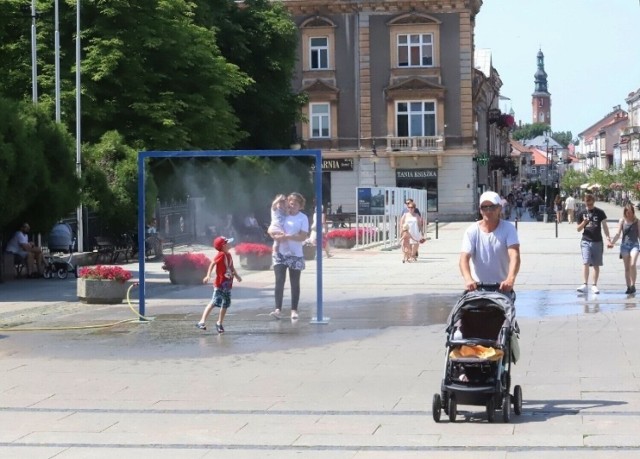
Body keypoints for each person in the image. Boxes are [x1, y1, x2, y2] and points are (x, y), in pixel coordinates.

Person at [459, 191, 520, 294]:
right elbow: (464, 258)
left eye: (492, 207)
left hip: (502, 287)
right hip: (478, 288)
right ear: (480, 210)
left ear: (499, 208)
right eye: (484, 207)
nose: (488, 211)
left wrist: (510, 279)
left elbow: (514, 255)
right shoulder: (472, 230)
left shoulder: (508, 229)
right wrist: (468, 279)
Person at [268, 192, 309, 320]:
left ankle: (294, 310)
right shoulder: (283, 215)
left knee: (294, 282)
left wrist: (287, 236)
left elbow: (303, 236)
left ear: (300, 206)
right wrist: (273, 235)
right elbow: (271, 228)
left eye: (295, 204)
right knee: (279, 281)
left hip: (295, 254)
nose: (292, 206)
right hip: (280, 253)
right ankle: (277, 309)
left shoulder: (303, 218)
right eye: (290, 204)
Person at [196, 236, 242, 334]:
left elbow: (232, 267)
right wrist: (208, 275)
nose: (230, 244)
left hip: (227, 285)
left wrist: (237, 276)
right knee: (213, 302)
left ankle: (219, 323)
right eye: (228, 243)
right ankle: (202, 321)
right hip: (220, 285)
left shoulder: (228, 255)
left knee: (225, 304)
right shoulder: (221, 254)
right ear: (223, 246)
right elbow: (212, 263)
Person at [576, 193, 611, 294]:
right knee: (586, 262)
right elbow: (578, 229)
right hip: (585, 240)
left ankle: (594, 285)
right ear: (585, 202)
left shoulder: (600, 212)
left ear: (593, 202)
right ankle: (585, 284)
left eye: (591, 204)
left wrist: (608, 238)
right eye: (587, 204)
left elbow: (604, 226)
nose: (589, 206)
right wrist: (584, 222)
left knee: (596, 264)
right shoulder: (581, 213)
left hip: (597, 241)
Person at [608, 203, 640, 294]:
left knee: (633, 264)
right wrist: (612, 243)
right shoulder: (622, 221)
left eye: (630, 212)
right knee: (627, 268)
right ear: (625, 212)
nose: (629, 214)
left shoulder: (637, 221)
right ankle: (628, 287)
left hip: (634, 245)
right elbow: (618, 234)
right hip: (624, 246)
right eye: (627, 212)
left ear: (633, 212)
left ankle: (633, 285)